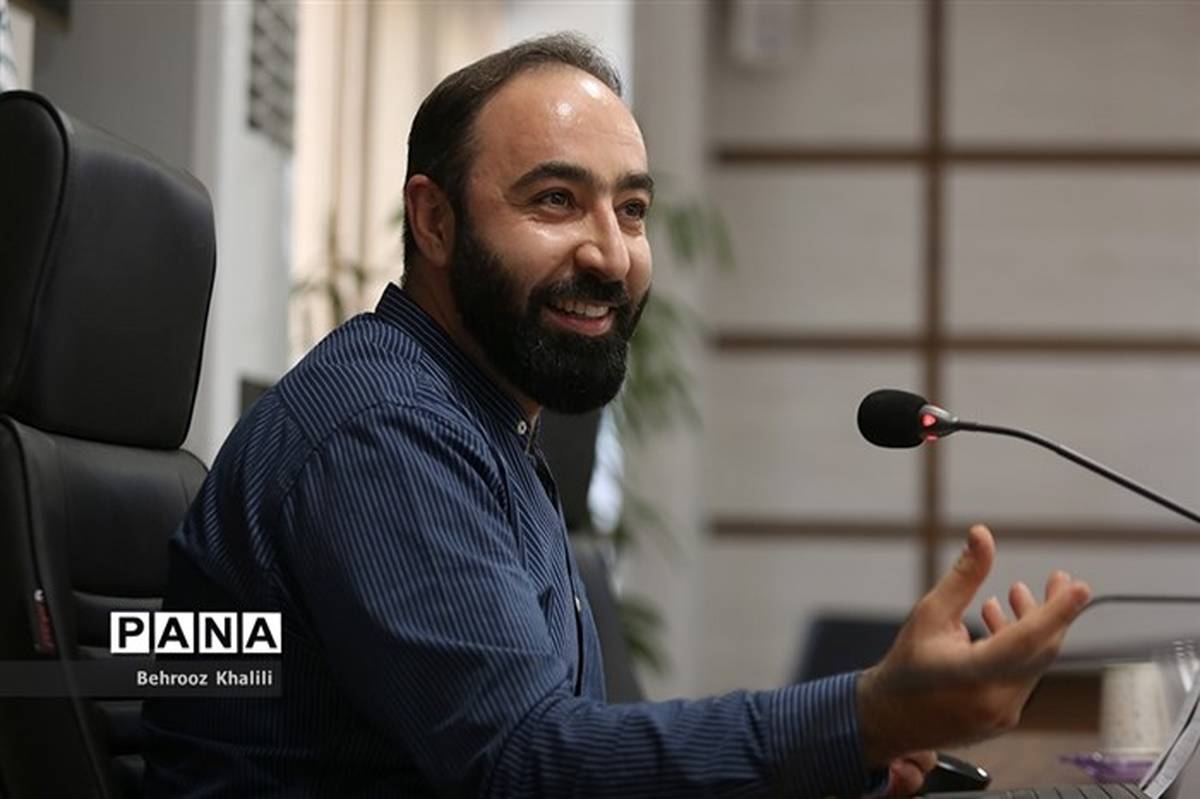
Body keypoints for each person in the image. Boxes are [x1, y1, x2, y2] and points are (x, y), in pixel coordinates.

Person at [143, 33, 1092, 798]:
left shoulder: (482, 420)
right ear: (434, 222)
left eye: (631, 210)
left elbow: (565, 751)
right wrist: (864, 716)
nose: (611, 254)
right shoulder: (383, 429)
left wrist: (846, 758)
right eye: (556, 200)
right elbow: (526, 767)